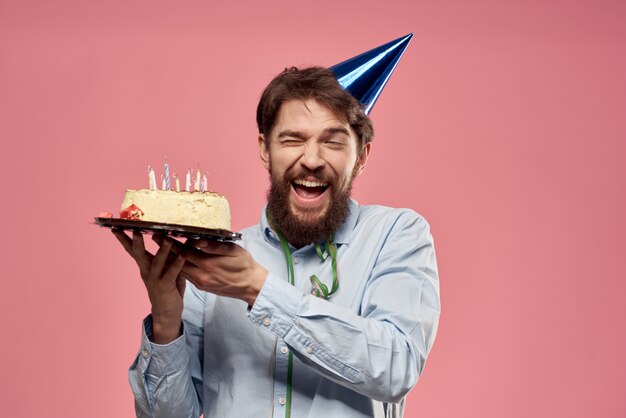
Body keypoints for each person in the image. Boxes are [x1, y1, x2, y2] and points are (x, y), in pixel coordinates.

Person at [113, 66, 440, 418]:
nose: (312, 160)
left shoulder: (397, 234)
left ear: (360, 157)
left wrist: (258, 289)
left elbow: (395, 367)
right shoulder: (211, 262)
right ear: (265, 150)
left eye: (332, 141)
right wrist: (165, 319)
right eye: (292, 140)